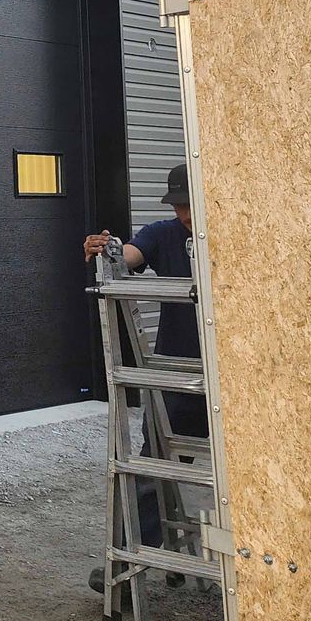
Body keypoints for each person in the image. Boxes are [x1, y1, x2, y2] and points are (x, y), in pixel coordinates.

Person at [81, 163, 207, 441]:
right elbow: (130, 254)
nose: (185, 214)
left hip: (233, 370)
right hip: (176, 368)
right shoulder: (162, 234)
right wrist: (107, 250)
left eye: (191, 203)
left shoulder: (241, 237)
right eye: (178, 205)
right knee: (158, 454)